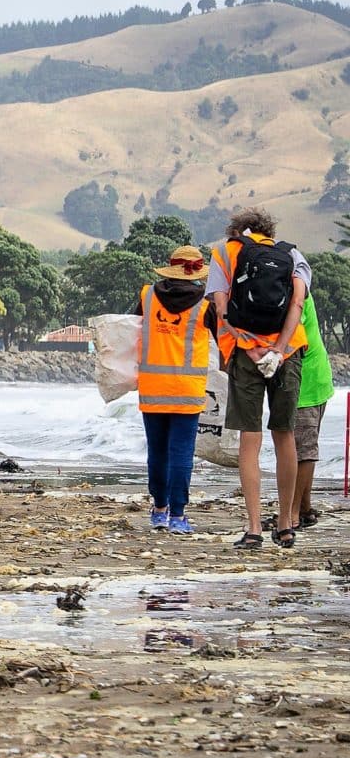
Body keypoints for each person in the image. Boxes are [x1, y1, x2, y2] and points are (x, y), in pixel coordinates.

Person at [205, 208, 310, 549]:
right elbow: (296, 303)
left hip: (244, 354)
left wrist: (249, 348)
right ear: (270, 230)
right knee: (284, 434)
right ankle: (285, 524)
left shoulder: (224, 252)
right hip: (288, 353)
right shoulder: (292, 254)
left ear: (236, 231)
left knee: (249, 440)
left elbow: (221, 309)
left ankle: (253, 528)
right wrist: (278, 349)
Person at [128, 247, 219, 535]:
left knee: (157, 452)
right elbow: (223, 343)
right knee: (182, 453)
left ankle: (158, 511)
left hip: (153, 387)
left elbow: (128, 331)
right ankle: (179, 516)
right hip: (188, 390)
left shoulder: (147, 296)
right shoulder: (206, 303)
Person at [291, 293, 333, 533]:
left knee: (303, 450)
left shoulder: (294, 295)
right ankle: (305, 508)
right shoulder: (298, 286)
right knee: (305, 445)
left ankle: (293, 513)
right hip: (316, 378)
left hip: (306, 382)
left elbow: (294, 337)